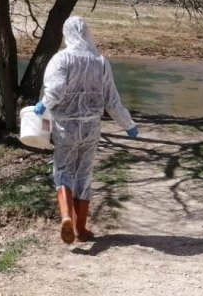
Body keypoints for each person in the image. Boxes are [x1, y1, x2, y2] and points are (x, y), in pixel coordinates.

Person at [33, 16, 138, 244]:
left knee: (63, 171)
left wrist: (43, 104)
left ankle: (66, 217)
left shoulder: (62, 59)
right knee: (84, 174)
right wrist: (128, 125)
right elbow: (112, 100)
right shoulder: (100, 61)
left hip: (65, 126)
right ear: (87, 32)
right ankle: (81, 229)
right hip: (91, 126)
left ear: (66, 34)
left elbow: (57, 90)